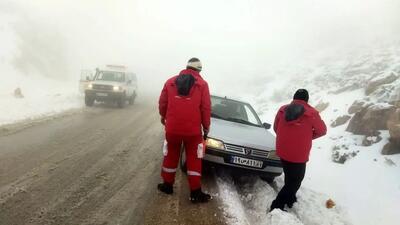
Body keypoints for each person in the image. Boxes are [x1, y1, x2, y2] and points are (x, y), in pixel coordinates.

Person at [157, 57, 212, 203]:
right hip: (192, 132)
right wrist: (206, 127)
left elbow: (163, 102)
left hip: (172, 129)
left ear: (186, 67)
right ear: (199, 70)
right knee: (194, 159)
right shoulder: (203, 85)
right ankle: (195, 192)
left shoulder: (170, 82)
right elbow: (205, 108)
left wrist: (163, 117)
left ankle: (167, 185)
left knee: (171, 154)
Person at [270, 89, 327, 211]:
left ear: (294, 98)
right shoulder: (311, 113)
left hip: (282, 150)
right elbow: (322, 131)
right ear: (307, 100)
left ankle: (290, 199)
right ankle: (277, 205)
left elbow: (276, 127)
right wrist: (308, 137)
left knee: (290, 177)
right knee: (296, 180)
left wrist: (286, 137)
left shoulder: (282, 109)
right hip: (298, 154)